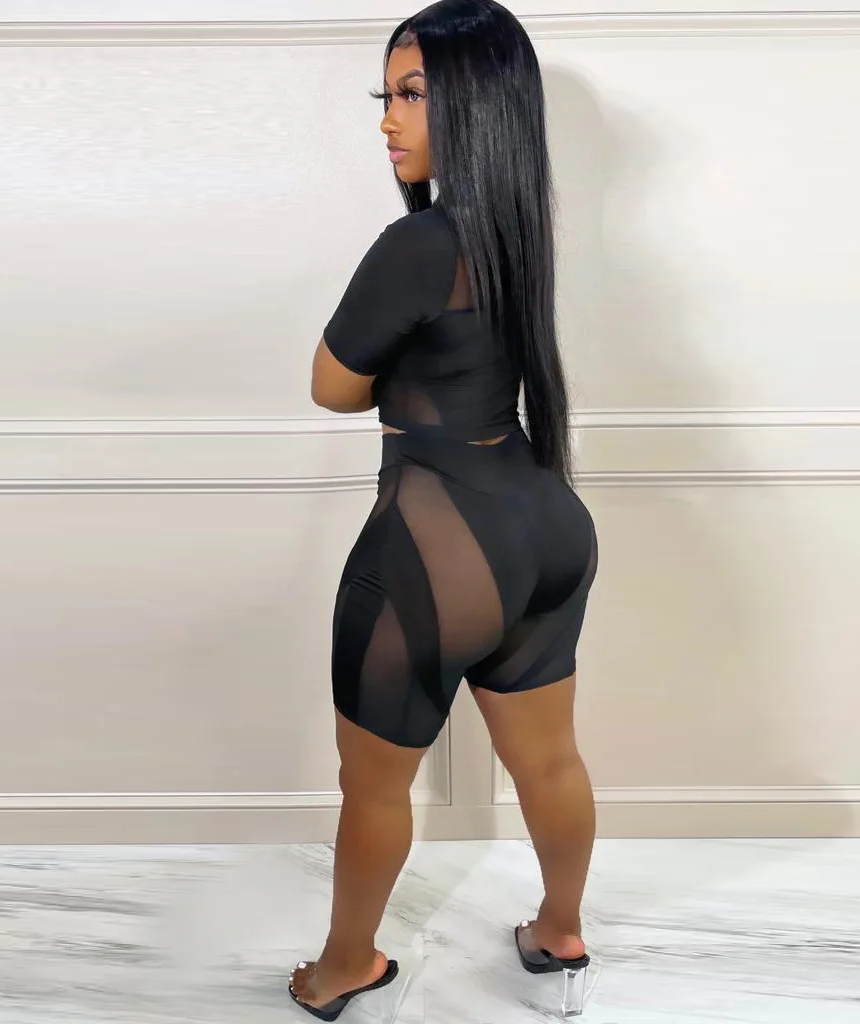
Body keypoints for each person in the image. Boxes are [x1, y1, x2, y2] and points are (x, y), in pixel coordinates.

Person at [288, 1, 598, 1018]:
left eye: (414, 93)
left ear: (477, 101)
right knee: (549, 758)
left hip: (440, 540)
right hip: (544, 522)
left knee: (374, 784)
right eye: (387, 94)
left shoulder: (418, 242)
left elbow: (330, 387)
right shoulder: (520, 229)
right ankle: (559, 934)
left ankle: (343, 969)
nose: (389, 118)